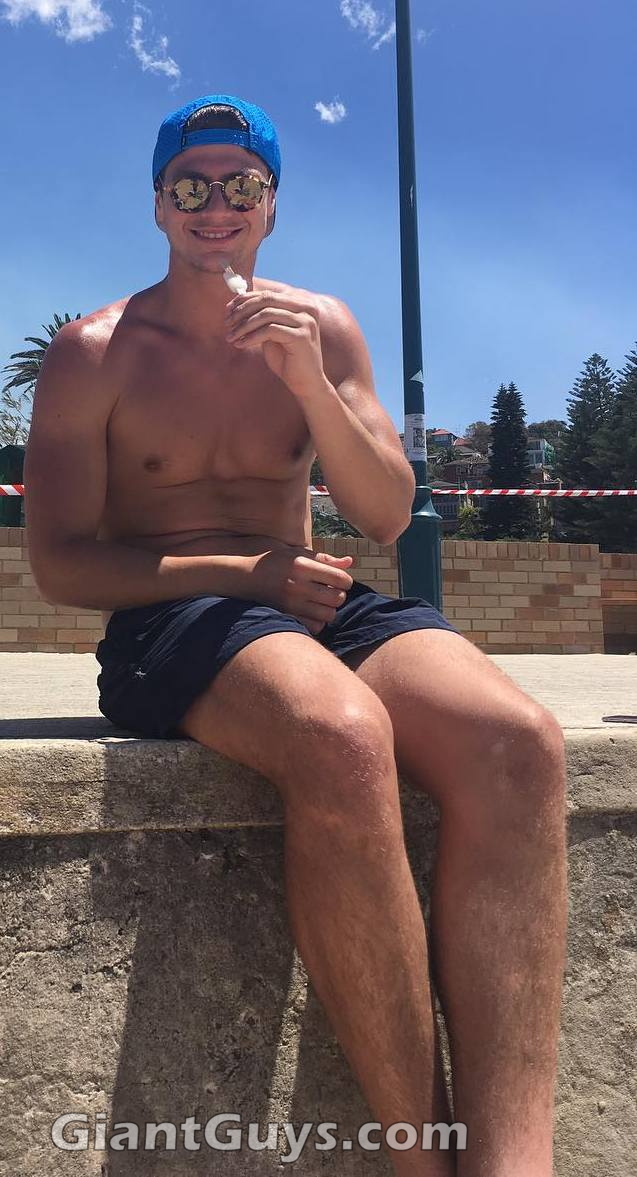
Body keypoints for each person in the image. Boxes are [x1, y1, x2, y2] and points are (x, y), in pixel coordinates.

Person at [24, 94, 567, 1175]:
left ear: (272, 204)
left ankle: (514, 1161)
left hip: (310, 596)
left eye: (242, 184)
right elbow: (63, 563)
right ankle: (421, 1158)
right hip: (173, 613)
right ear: (157, 205)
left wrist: (310, 384)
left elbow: (384, 513)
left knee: (519, 742)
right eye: (190, 184)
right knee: (340, 734)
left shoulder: (323, 326)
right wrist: (244, 571)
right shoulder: (95, 353)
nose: (215, 204)